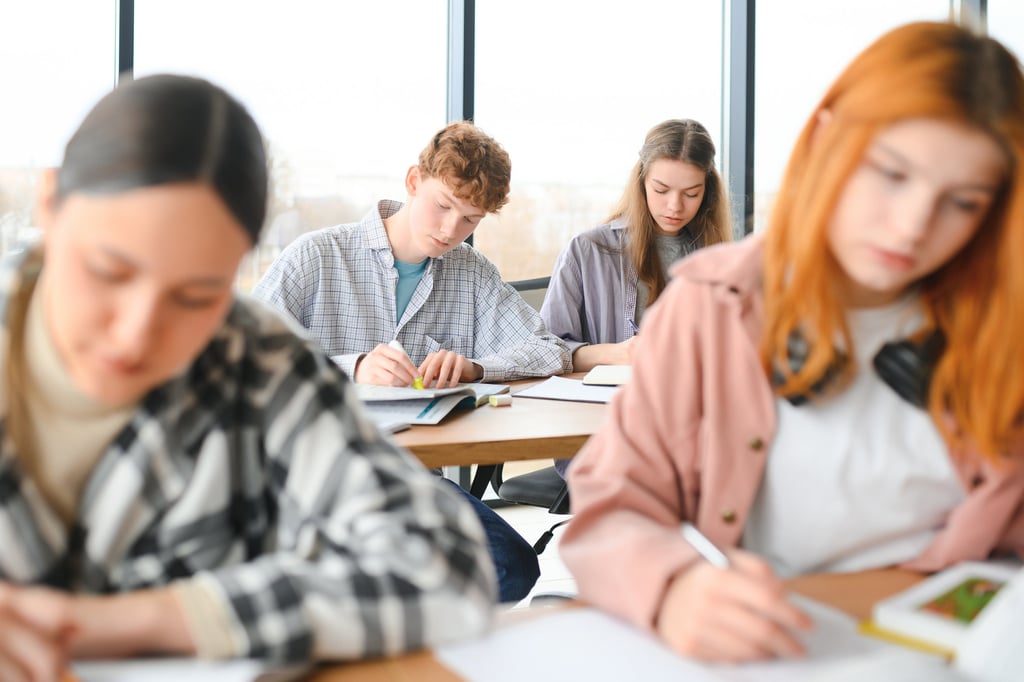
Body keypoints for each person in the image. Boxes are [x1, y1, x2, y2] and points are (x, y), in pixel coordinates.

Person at [0, 74, 496, 678]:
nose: (136, 333)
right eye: (109, 270)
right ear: (49, 203)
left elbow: (444, 564)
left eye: (195, 296)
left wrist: (125, 625)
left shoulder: (253, 355)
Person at [560, 20, 1024, 664]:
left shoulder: (1006, 326)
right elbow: (610, 508)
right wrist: (674, 587)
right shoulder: (709, 308)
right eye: (891, 174)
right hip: (774, 654)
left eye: (964, 202)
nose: (913, 226)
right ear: (828, 141)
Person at [253, 121, 572, 602]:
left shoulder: (469, 272)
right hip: (306, 476)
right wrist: (351, 368)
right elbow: (239, 360)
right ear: (412, 181)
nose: (451, 230)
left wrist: (475, 367)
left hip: (411, 480)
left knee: (510, 569)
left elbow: (548, 350)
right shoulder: (316, 257)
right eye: (442, 206)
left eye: (470, 220)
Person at [540, 118, 732, 477]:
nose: (675, 205)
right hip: (607, 431)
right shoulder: (589, 250)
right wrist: (619, 354)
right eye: (661, 189)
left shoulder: (720, 259)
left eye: (691, 193)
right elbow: (547, 352)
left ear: (707, 191)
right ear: (641, 180)